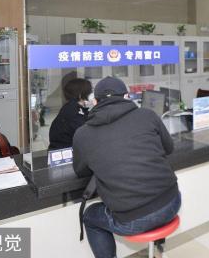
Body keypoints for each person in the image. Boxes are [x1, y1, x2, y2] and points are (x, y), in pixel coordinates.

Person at [73, 77, 181, 258]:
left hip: (133, 220)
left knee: (90, 216)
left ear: (95, 102)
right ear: (126, 96)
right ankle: (158, 250)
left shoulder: (82, 134)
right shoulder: (147, 115)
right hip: (172, 202)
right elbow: (168, 148)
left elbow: (81, 171)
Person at [48, 78, 92, 150]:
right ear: (80, 95)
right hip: (66, 153)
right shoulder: (73, 112)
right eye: (89, 92)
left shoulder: (71, 108)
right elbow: (87, 134)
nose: (92, 95)